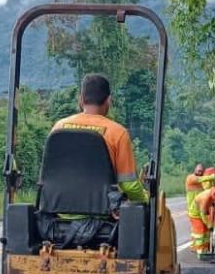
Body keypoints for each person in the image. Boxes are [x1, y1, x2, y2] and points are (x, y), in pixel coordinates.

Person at [50, 74, 148, 205]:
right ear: (109, 100)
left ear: (81, 99)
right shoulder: (117, 133)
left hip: (59, 210)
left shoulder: (58, 127)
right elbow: (129, 185)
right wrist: (145, 200)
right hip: (102, 214)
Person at [188, 186, 215, 259]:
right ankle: (200, 252)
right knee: (201, 232)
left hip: (204, 212)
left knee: (207, 231)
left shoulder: (213, 195)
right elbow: (203, 214)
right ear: (214, 194)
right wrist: (208, 224)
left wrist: (211, 222)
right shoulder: (205, 198)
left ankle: (205, 247)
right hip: (195, 214)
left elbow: (211, 209)